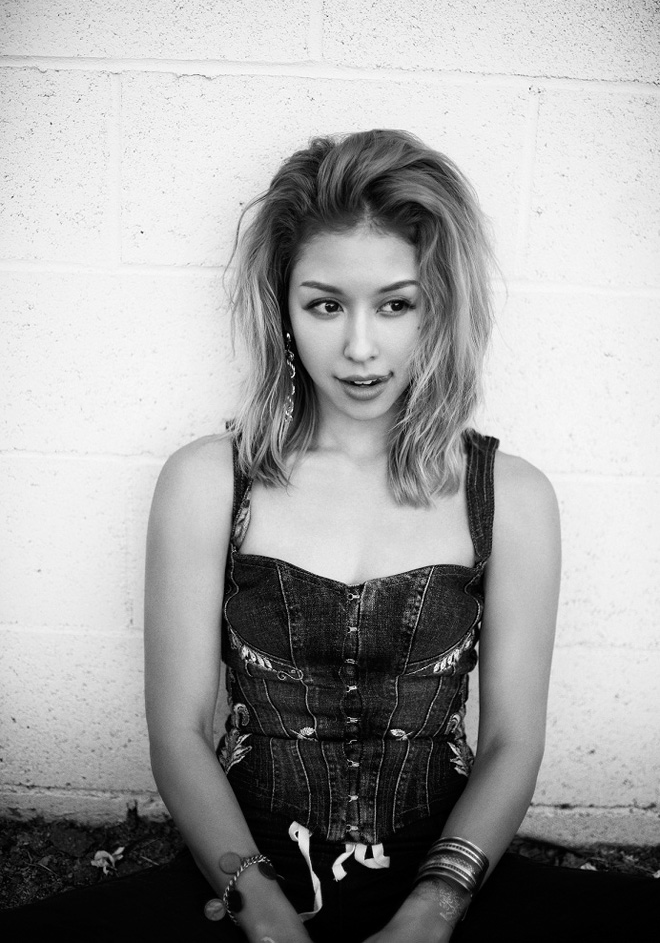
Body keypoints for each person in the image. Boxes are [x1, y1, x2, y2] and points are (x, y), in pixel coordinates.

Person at [1, 129, 656, 941]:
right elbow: (178, 733)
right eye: (325, 304)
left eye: (395, 303)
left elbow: (513, 742)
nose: (359, 347)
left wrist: (432, 911)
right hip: (246, 875)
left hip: (447, 880)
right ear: (283, 304)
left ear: (439, 305)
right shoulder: (209, 482)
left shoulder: (511, 497)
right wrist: (265, 913)